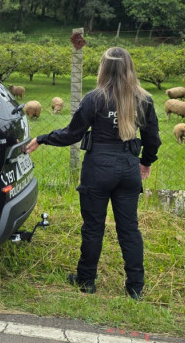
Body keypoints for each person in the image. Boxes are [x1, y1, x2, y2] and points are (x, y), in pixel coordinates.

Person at [25, 47, 160, 300]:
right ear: (130, 67)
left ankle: (86, 280)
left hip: (98, 169)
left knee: (93, 227)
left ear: (103, 68)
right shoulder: (144, 99)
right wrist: (146, 161)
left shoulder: (94, 98)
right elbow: (152, 138)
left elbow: (71, 134)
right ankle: (135, 287)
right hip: (129, 169)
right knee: (129, 229)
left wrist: (42, 139)